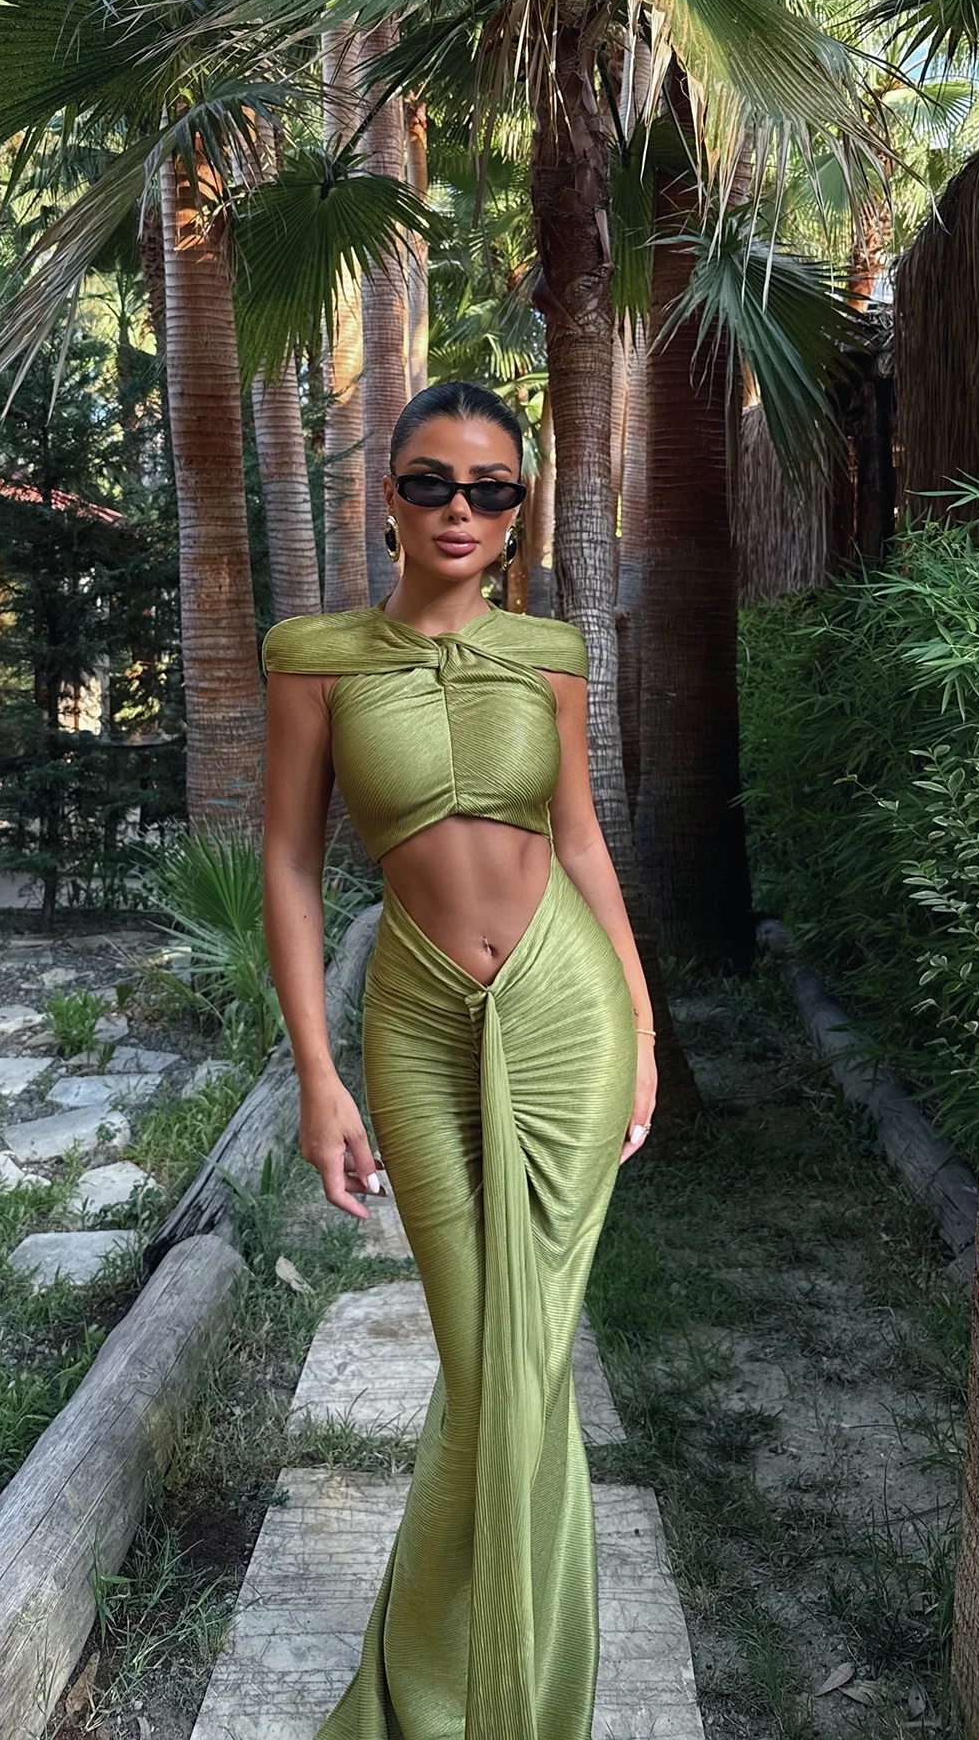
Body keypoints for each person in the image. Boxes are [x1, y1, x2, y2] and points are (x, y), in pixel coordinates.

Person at [261, 380, 658, 1740]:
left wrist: (642, 1030)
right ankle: (468, 1698)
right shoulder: (315, 657)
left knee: (524, 1358)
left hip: (565, 1010)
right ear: (388, 496)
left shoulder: (548, 651)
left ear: (517, 512)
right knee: (493, 1361)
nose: (460, 511)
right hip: (418, 1024)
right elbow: (289, 864)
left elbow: (583, 842)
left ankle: (473, 1706)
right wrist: (318, 1077)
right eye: (431, 481)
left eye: (491, 491)